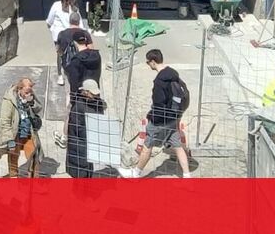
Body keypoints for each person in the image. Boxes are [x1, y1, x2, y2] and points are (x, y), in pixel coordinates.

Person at [118, 49, 190, 178]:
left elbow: (159, 104)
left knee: (147, 146)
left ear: (153, 62)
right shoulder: (173, 73)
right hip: (174, 118)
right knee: (178, 146)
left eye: (148, 62)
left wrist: (152, 118)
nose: (148, 65)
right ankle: (187, 175)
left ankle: (135, 173)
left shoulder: (159, 81)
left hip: (161, 121)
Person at [0, 78, 43, 177]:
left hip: (28, 131)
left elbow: (38, 108)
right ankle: (14, 177)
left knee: (34, 155)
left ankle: (33, 179)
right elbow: (5, 122)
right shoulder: (9, 100)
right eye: (26, 92)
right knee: (13, 157)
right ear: (20, 89)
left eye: (30, 91)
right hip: (15, 133)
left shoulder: (29, 94)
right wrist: (9, 140)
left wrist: (31, 102)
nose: (29, 94)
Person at [66, 79, 107, 178]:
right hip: (79, 145)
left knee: (88, 168)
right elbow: (76, 129)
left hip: (90, 143)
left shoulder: (97, 102)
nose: (95, 96)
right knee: (80, 171)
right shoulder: (78, 107)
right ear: (85, 92)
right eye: (92, 93)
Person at [46, 0, 87, 85]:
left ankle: (60, 76)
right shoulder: (74, 8)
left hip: (58, 36)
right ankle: (74, 72)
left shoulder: (56, 5)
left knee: (60, 54)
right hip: (71, 35)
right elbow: (80, 22)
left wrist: (51, 28)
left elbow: (49, 20)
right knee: (74, 53)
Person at [64, 33, 102, 98]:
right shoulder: (96, 55)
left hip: (82, 96)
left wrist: (72, 98)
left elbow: (74, 82)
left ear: (75, 42)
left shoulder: (75, 61)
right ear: (85, 40)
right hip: (94, 93)